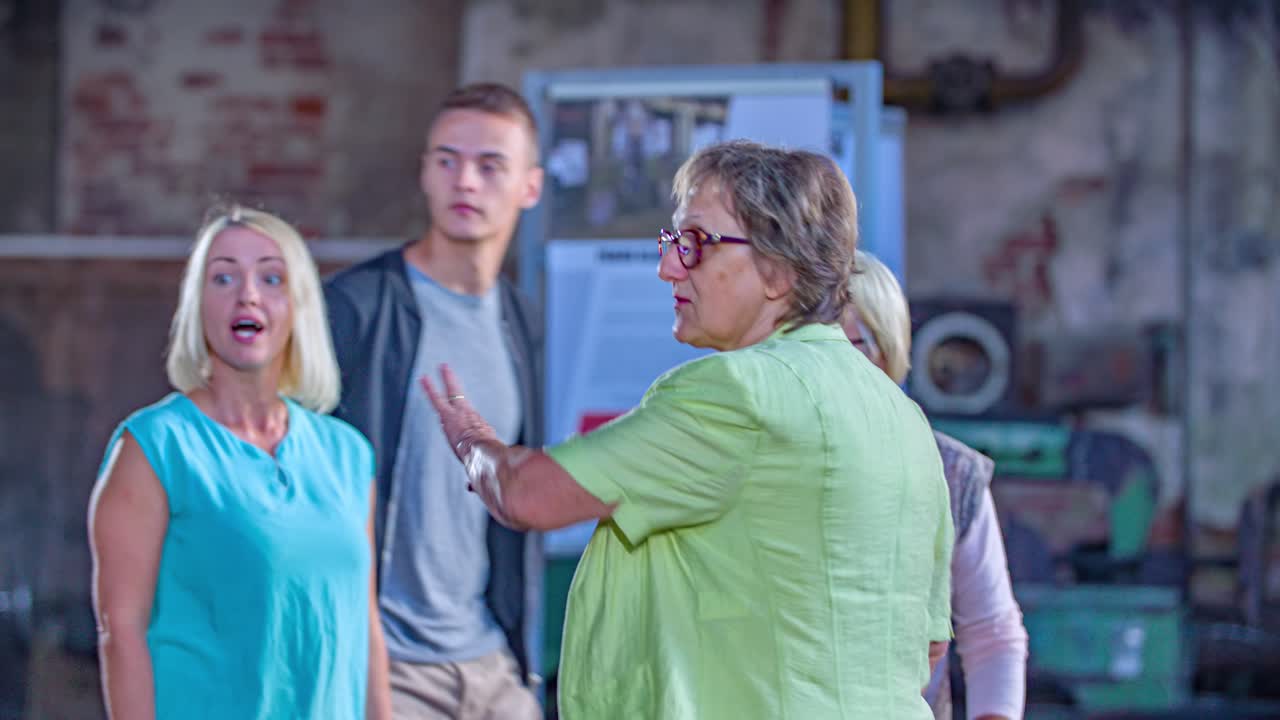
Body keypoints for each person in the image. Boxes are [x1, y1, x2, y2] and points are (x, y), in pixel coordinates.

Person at [422, 140, 955, 719]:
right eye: (672, 241)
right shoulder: (905, 421)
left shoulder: (736, 392)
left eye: (696, 243)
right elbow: (928, 644)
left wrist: (472, 440)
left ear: (776, 270)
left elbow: (528, 494)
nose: (667, 265)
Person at [88, 205, 391, 719]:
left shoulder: (348, 454)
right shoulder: (155, 447)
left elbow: (364, 624)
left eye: (271, 277)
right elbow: (121, 629)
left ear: (299, 307)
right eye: (223, 277)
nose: (247, 294)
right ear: (197, 305)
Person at [324, 83, 544, 720]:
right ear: (424, 172)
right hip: (387, 668)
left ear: (529, 188)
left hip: (491, 662)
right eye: (446, 160)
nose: (465, 181)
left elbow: (513, 497)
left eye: (490, 165)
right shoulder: (353, 309)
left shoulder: (523, 323)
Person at [843, 250, 1029, 720]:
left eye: (850, 345)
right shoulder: (763, 458)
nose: (829, 365)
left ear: (886, 352)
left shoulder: (949, 471)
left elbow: (992, 633)